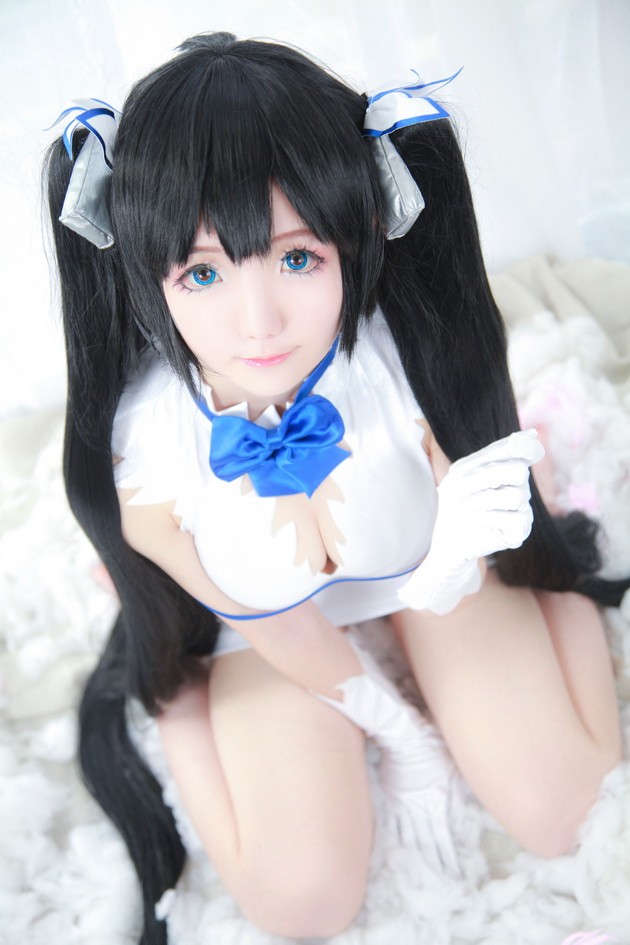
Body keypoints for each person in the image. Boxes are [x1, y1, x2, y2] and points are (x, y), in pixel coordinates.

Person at [44, 32, 625, 945]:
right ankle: (180, 710)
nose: (259, 322)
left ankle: (567, 583)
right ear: (148, 276)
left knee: (563, 810)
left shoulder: (405, 362)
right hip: (267, 626)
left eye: (297, 258)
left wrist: (453, 560)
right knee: (304, 901)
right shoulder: (148, 446)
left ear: (354, 235)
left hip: (430, 570)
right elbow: (273, 621)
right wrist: (405, 735)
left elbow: (463, 498)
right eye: (202, 272)